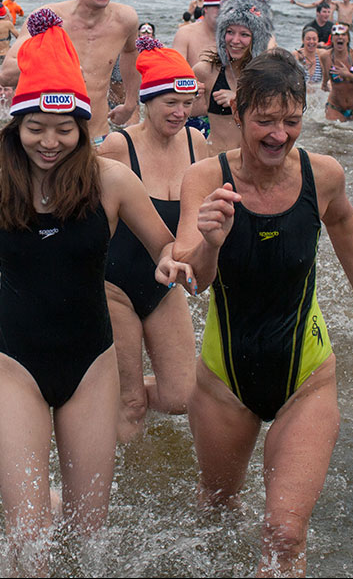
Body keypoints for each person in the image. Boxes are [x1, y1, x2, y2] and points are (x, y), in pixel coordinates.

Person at [0, 9, 192, 574]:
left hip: (92, 364)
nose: (50, 141)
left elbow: (164, 244)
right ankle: (38, 513)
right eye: (36, 127)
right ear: (15, 126)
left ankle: (56, 506)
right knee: (30, 546)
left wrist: (172, 263)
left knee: (88, 539)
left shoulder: (111, 181)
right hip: (15, 363)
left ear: (83, 126)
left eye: (65, 129)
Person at [175, 49, 353, 576]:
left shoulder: (321, 175)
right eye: (265, 121)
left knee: (284, 534)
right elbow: (195, 281)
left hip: (306, 376)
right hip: (223, 380)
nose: (279, 134)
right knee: (214, 508)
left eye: (291, 120)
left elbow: (343, 221)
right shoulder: (203, 179)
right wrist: (210, 242)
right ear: (237, 116)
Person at [98, 35, 205, 443]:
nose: (181, 113)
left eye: (188, 102)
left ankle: (92, 395)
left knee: (182, 396)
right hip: (113, 287)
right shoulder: (118, 146)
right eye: (171, 104)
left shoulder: (197, 144)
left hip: (165, 284)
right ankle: (120, 496)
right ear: (147, 99)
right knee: (132, 405)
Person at [0, 0, 141, 145]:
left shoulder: (126, 20)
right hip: (50, 141)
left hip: (97, 135)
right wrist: (57, 65)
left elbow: (131, 53)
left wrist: (131, 103)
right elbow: (6, 74)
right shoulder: (48, 18)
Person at [192, 0, 278, 156]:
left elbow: (280, 118)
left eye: (245, 34)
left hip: (253, 165)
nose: (235, 40)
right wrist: (188, 98)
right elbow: (187, 113)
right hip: (215, 161)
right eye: (230, 31)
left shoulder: (266, 76)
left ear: (257, 39)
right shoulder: (205, 71)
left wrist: (239, 99)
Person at [321, 23, 353, 121]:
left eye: (343, 34)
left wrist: (348, 75)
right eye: (336, 35)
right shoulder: (325, 57)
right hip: (335, 107)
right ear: (332, 39)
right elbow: (326, 74)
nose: (340, 37)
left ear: (348, 39)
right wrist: (324, 84)